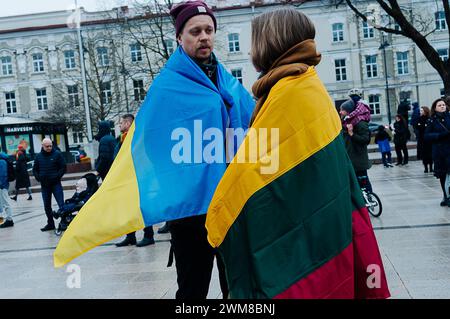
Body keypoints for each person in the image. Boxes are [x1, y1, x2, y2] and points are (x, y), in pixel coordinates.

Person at [205, 8, 389, 299]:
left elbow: (250, 170)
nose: (251, 49)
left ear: (272, 43)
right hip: (322, 222)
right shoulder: (302, 83)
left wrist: (219, 210)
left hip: (307, 233)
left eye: (255, 41)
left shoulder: (289, 91)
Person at [114, 114, 155, 247]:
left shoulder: (135, 138)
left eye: (121, 123)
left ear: (128, 123)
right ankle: (130, 236)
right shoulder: (123, 138)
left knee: (142, 207)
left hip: (137, 177)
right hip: (127, 178)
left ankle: (149, 235)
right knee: (129, 207)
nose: (119, 125)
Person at [33, 138, 67, 231]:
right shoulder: (38, 156)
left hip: (56, 184)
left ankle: (64, 222)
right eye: (47, 146)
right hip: (45, 185)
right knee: (47, 206)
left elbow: (63, 167)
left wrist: (57, 176)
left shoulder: (57, 154)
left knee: (61, 204)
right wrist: (39, 178)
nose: (49, 148)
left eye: (50, 146)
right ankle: (50, 223)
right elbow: (35, 170)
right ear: (42, 146)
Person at [340, 99, 373, 192]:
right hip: (350, 158)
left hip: (358, 160)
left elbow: (366, 140)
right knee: (355, 185)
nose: (340, 112)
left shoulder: (360, 122)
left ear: (348, 111)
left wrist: (352, 134)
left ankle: (369, 201)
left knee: (364, 183)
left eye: (342, 109)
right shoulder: (346, 122)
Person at [425, 98, 450, 207]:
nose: (442, 106)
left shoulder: (449, 117)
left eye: (443, 105)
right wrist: (439, 136)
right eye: (439, 105)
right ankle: (446, 196)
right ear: (435, 108)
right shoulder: (432, 120)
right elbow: (426, 136)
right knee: (443, 174)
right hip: (440, 152)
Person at [414, 106, 433, 173]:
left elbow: (427, 127)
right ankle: (425, 168)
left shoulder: (429, 118)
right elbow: (417, 126)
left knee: (430, 154)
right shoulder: (419, 119)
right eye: (420, 110)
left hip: (429, 139)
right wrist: (422, 126)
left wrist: (422, 126)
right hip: (422, 139)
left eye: (422, 110)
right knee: (424, 154)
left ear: (425, 111)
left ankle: (431, 167)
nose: (420, 112)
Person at [0, 150, 14, 228]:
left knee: (5, 203)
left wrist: (1, 185)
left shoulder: (1, 161)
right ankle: (2, 220)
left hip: (2, 186)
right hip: (2, 185)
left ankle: (9, 220)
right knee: (1, 203)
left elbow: (3, 175)